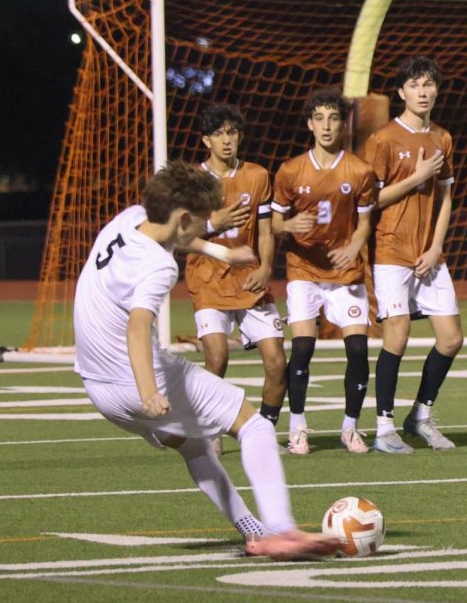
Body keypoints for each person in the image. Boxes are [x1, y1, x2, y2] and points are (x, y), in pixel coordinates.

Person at [73, 161, 337, 559]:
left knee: (195, 447)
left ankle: (253, 529)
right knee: (255, 426)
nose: (206, 226)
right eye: (202, 221)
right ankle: (282, 530)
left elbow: (177, 239)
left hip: (99, 390)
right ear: (182, 219)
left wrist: (218, 250)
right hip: (137, 380)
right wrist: (148, 391)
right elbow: (137, 325)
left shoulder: (129, 219)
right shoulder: (159, 267)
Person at [362, 56, 463, 454]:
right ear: (401, 92)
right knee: (398, 336)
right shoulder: (384, 139)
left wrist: (437, 246)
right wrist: (417, 177)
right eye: (415, 85)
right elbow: (371, 200)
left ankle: (419, 416)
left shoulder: (443, 137)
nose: (423, 92)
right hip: (391, 250)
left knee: (452, 338)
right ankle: (384, 427)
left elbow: (446, 196)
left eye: (429, 84)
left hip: (429, 254)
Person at [270, 88, 377, 455]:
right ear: (309, 124)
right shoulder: (289, 171)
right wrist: (289, 226)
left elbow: (365, 224)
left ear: (343, 124)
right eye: (320, 118)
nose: (327, 126)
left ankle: (350, 429)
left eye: (334, 118)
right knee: (301, 351)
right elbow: (275, 225)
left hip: (346, 275)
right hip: (303, 271)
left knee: (359, 351)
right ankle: (297, 428)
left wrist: (354, 246)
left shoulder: (361, 171)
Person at [183, 104, 286, 455]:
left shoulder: (257, 175)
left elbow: (266, 230)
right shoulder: (193, 182)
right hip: (208, 279)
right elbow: (181, 235)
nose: (227, 140)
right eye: (219, 134)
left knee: (276, 361)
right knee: (217, 357)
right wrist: (215, 223)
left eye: (232, 132)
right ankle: (209, 428)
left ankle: (264, 432)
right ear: (206, 140)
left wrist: (265, 267)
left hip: (249, 280)